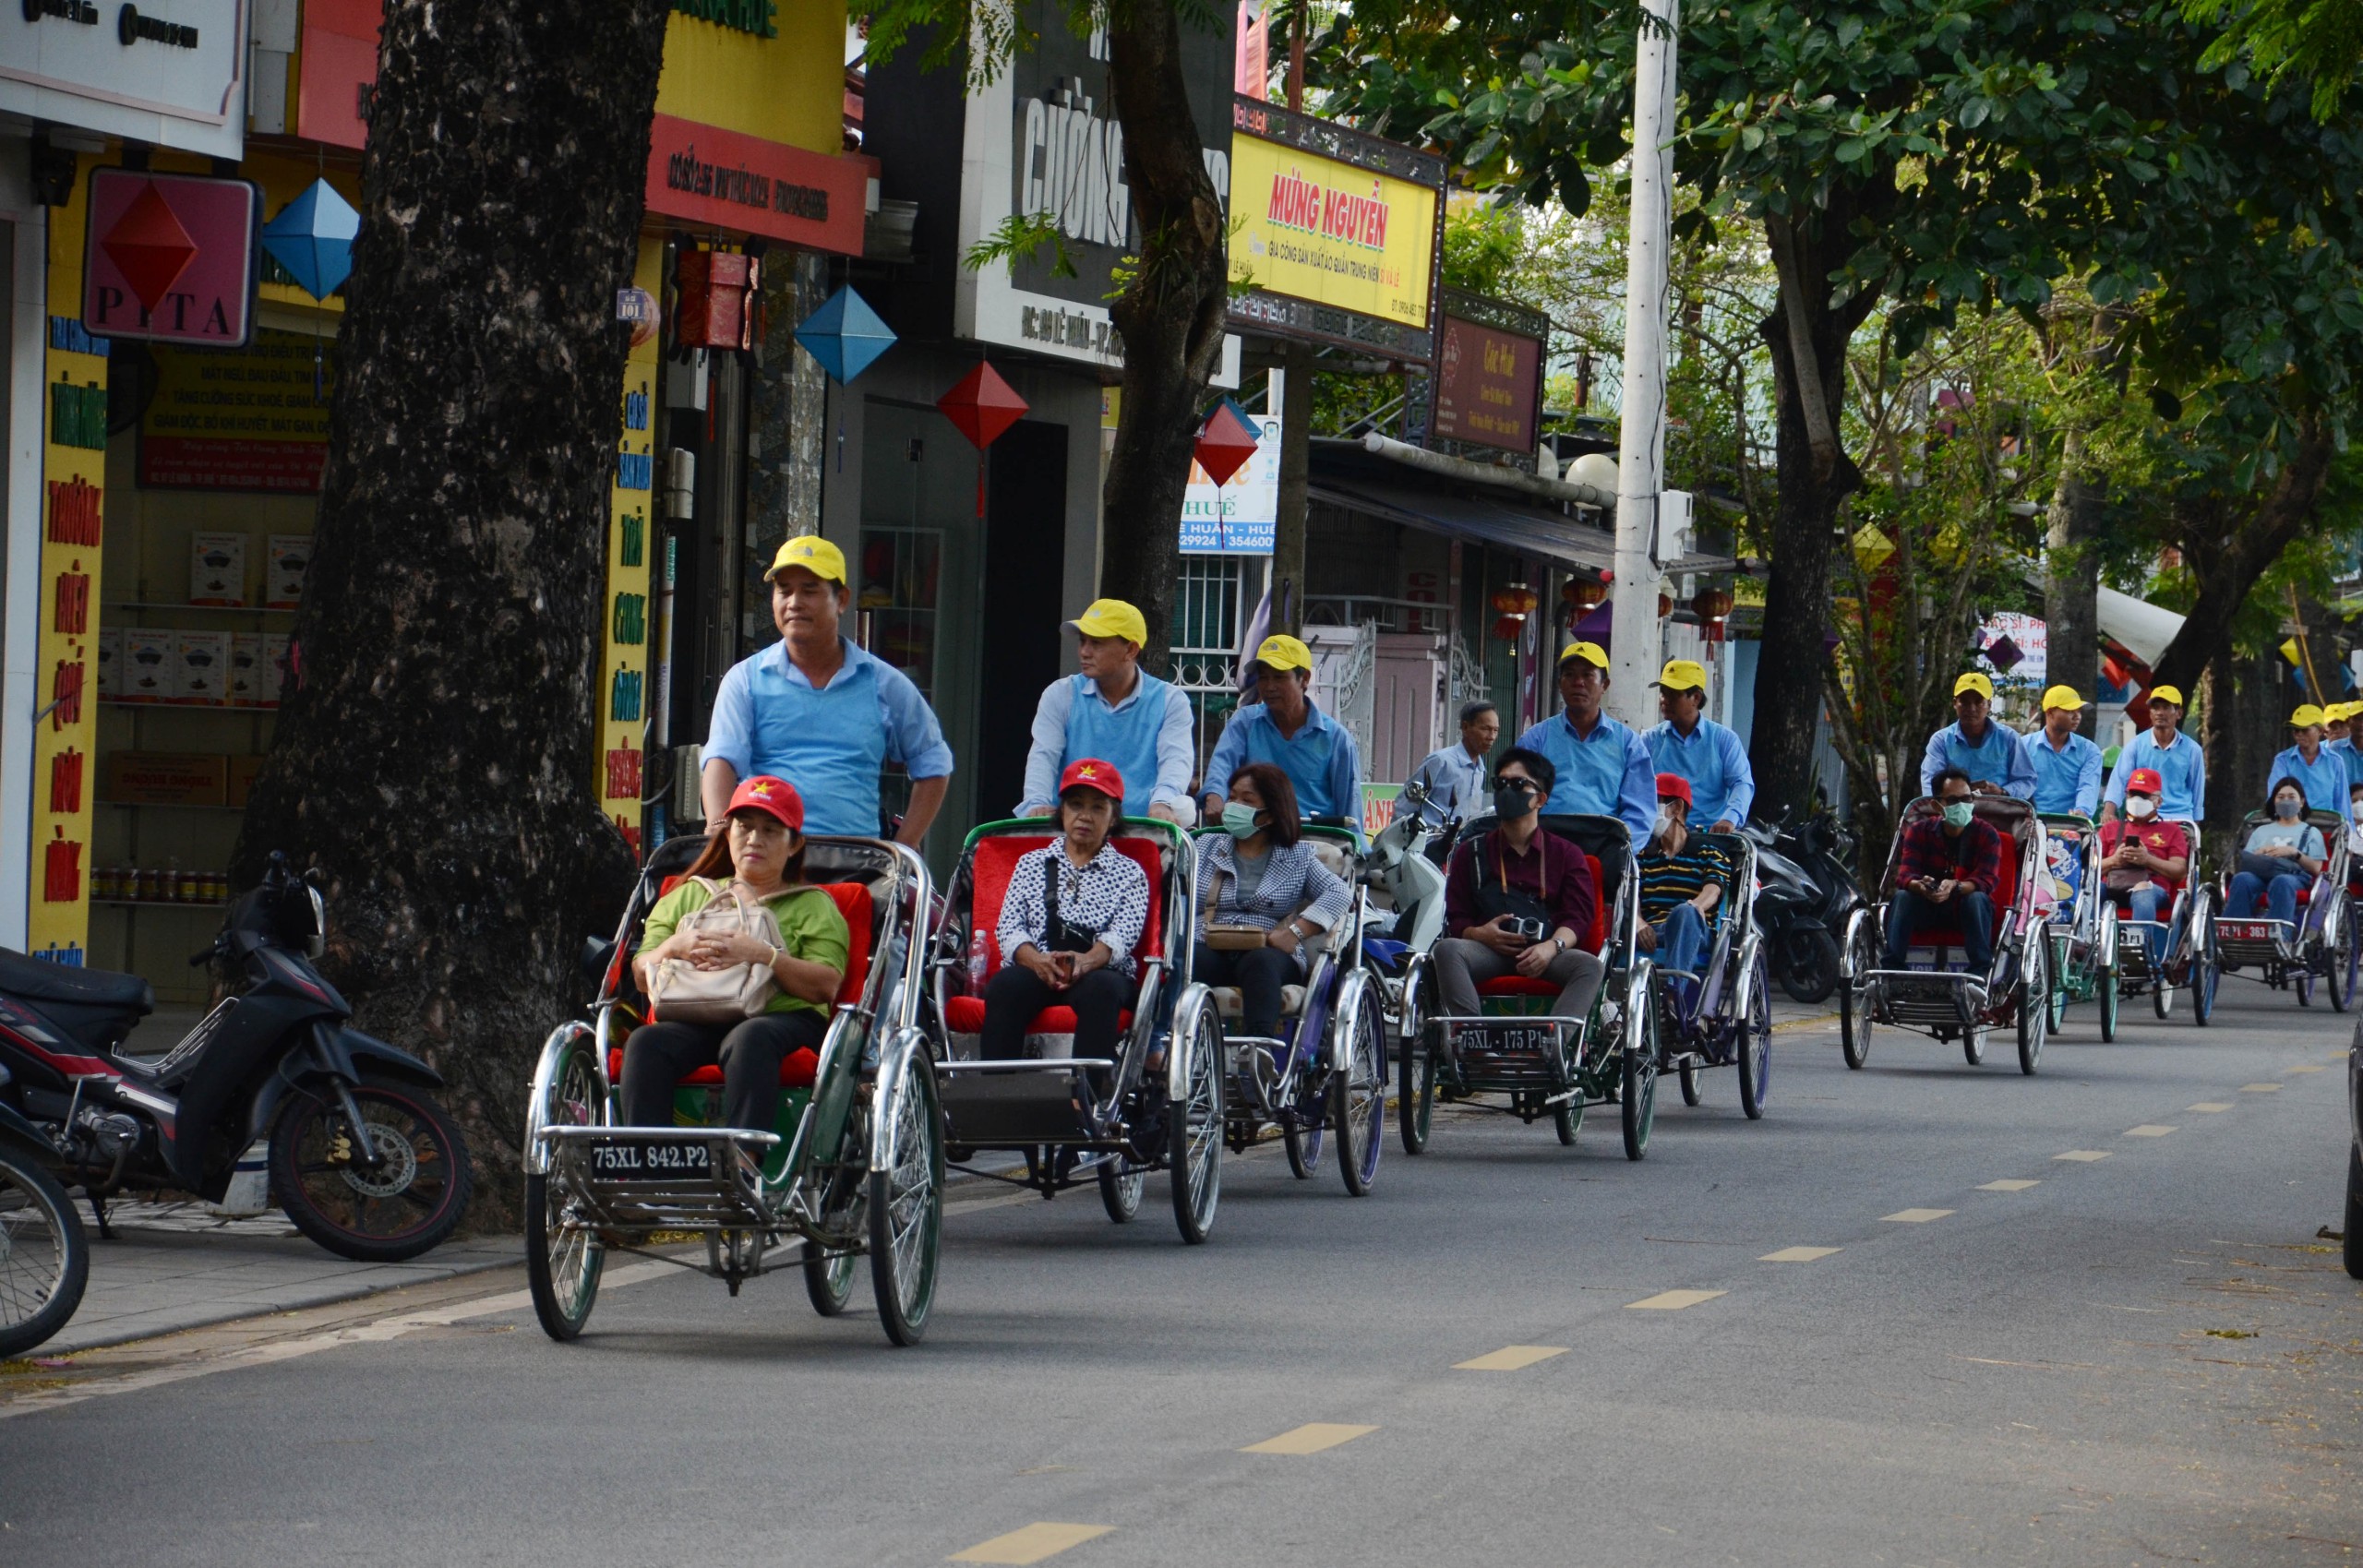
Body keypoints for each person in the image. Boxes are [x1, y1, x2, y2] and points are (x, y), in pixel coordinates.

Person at [622, 776, 849, 1132]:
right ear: (728, 834)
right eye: (744, 828)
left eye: (771, 830)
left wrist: (763, 955)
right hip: (696, 1016)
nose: (755, 840)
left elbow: (826, 986)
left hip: (783, 1020)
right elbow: (639, 973)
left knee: (749, 1038)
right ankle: (647, 1165)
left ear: (795, 844)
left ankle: (746, 1164)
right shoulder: (687, 898)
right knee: (646, 1042)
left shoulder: (813, 905)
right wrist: (673, 948)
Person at [702, 535, 954, 844]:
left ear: (842, 600)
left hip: (855, 867)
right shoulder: (744, 680)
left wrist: (903, 848)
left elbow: (933, 763)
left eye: (809, 590)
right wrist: (718, 832)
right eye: (784, 591)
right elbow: (721, 761)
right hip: (768, 862)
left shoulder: (884, 683)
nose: (794, 602)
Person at [979, 760, 1151, 1095]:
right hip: (1039, 966)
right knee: (1005, 985)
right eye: (1075, 805)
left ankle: (1085, 1103)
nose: (1084, 816)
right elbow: (1009, 927)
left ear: (1113, 816)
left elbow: (1122, 936)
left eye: (1097, 807)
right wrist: (1036, 961)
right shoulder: (1031, 863)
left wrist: (1085, 961)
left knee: (1102, 990)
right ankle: (996, 1097)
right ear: (1062, 811)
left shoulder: (1130, 873)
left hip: (1099, 971)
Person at [1432, 748, 1605, 1023]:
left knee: (1590, 967)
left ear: (1540, 799)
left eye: (1518, 784)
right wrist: (1481, 934)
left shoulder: (1566, 854)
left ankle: (1556, 1044)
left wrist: (1551, 947)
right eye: (1500, 783)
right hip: (1488, 950)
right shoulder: (1470, 852)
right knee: (1446, 950)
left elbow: (1579, 917)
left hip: (1547, 950)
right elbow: (1457, 917)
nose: (1506, 791)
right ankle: (1472, 1038)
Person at [1193, 763, 1351, 1042]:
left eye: (1247, 800)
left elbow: (1338, 893)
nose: (1234, 806)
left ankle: (1258, 1049)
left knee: (1260, 962)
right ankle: (1175, 1045)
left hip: (1268, 948)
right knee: (1187, 960)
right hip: (1208, 940)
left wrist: (1295, 932)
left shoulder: (1297, 856)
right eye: (1232, 797)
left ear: (1271, 813)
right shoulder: (1205, 845)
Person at [1017, 598, 1194, 824]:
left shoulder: (1171, 701)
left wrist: (1163, 802)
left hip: (1140, 832)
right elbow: (1043, 756)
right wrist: (1037, 803)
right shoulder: (1060, 694)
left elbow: (1176, 760)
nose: (1084, 651)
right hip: (1073, 832)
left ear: (1131, 649)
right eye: (1082, 641)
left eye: (1097, 643)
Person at [1202, 634, 1366, 844]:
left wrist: (1358, 853)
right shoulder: (1244, 723)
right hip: (1253, 840)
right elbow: (1222, 765)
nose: (1269, 687)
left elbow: (1350, 813)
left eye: (1279, 677)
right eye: (1263, 677)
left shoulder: (1336, 739)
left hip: (1315, 846)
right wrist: (1214, 794)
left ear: (1304, 679)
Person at [1512, 641, 1655, 838]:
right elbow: (1518, 799)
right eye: (1569, 675)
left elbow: (1640, 813)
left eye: (1588, 675)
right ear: (1560, 683)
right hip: (1545, 847)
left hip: (1604, 848)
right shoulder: (1535, 740)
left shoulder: (1629, 744)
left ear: (1605, 684)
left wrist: (1618, 851)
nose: (1578, 682)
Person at [1882, 769, 2004, 972]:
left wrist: (1955, 886)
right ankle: (1891, 970)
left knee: (1977, 899)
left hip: (1966, 910)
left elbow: (1986, 880)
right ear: (1937, 806)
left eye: (1966, 799)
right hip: (1927, 906)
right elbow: (1905, 876)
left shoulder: (1987, 834)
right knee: (1902, 896)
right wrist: (1921, 886)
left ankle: (1980, 972)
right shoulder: (1919, 831)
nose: (1962, 806)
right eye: (1954, 801)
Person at [1634, 773, 1732, 1012]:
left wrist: (1696, 906)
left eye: (1654, 801)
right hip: (1654, 930)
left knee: (1684, 913)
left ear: (1676, 808)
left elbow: (1713, 889)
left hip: (1696, 929)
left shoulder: (1709, 853)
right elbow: (1631, 897)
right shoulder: (1642, 858)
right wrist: (1637, 922)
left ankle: (1673, 996)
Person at [2095, 767, 2190, 970]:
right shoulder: (2109, 829)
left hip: (2152, 888)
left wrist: (2147, 860)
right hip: (2112, 885)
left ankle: (2140, 952)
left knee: (2143, 892)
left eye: (2144, 796)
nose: (2137, 799)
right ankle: (2086, 947)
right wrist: (2114, 860)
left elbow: (2179, 871)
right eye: (2133, 794)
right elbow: (2090, 869)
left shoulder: (2172, 831)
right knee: (2091, 893)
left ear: (2158, 801)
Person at [1645, 659, 1754, 832]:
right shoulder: (1649, 740)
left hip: (1710, 837)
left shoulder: (1724, 740)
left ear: (1696, 698)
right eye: (1663, 693)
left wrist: (1729, 819)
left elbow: (1742, 783)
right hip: (1658, 836)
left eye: (1673, 694)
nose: (1664, 700)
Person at [2224, 777, 2325, 942]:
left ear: (2302, 802)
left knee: (2282, 882)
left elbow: (2316, 868)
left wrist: (2295, 853)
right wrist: (2261, 852)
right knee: (2241, 879)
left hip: (2293, 876)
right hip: (2260, 873)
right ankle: (2233, 935)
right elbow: (2248, 860)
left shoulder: (2311, 832)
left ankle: (2278, 938)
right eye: (2281, 797)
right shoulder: (2260, 831)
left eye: (2292, 797)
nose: (2286, 801)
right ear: (2274, 802)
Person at [1920, 672, 2037, 798]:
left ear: (1989, 705)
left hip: (1999, 812)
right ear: (1955, 703)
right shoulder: (1941, 740)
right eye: (1964, 702)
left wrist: (2002, 792)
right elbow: (1930, 785)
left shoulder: (2009, 738)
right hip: (1954, 812)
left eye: (1978, 702)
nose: (1971, 708)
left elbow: (2027, 780)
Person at [2102, 686, 2205, 825]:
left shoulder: (2193, 749)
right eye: (2155, 708)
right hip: (2141, 815)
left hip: (2179, 817)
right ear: (2150, 713)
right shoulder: (2136, 745)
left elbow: (2197, 790)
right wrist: (2108, 812)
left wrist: (2195, 826)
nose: (2160, 713)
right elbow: (2119, 780)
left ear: (2179, 713)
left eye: (2166, 707)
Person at [1402, 700, 1500, 828]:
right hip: (1431, 843)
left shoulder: (1480, 770)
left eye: (1495, 730)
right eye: (1485, 729)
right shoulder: (1441, 761)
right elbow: (1406, 805)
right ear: (1465, 727)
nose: (1491, 736)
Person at [2021, 685, 2104, 818]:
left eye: (2079, 711)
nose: (2077, 717)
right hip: (2029, 822)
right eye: (2070, 711)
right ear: (2050, 713)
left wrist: (2082, 812)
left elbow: (2088, 786)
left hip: (2071, 824)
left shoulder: (2089, 750)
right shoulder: (2024, 746)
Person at [2266, 704, 2346, 821]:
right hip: (2291, 825)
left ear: (2319, 730)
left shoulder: (2335, 761)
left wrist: (2350, 833)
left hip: (2327, 826)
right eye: (2296, 730)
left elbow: (2342, 803)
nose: (2299, 734)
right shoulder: (2283, 760)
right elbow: (2274, 798)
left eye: (2304, 729)